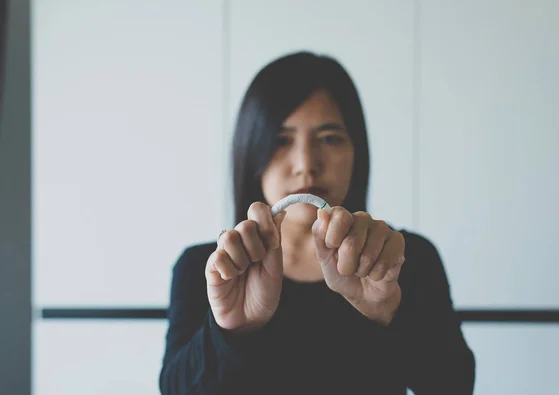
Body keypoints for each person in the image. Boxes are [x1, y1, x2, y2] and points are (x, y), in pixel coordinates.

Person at [159, 51, 476, 395]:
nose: (306, 164)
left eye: (329, 138)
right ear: (251, 151)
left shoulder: (401, 259)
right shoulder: (209, 270)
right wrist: (230, 330)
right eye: (281, 140)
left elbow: (455, 386)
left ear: (357, 150)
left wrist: (390, 310)